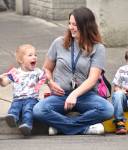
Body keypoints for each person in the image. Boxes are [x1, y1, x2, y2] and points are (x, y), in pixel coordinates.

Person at [33, 7, 114, 135]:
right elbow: (47, 69)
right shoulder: (58, 43)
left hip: (86, 96)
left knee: (107, 110)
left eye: (75, 25)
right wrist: (50, 82)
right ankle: (84, 128)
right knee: (38, 110)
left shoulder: (98, 48)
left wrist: (74, 94)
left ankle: (61, 127)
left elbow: (93, 79)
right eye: (70, 23)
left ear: (86, 26)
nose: (71, 27)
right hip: (61, 95)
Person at [0, 44, 46, 136]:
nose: (34, 57)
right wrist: (1, 80)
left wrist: (42, 83)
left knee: (28, 110)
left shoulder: (37, 72)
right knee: (14, 108)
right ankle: (12, 118)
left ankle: (27, 125)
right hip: (17, 99)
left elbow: (45, 78)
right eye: (30, 55)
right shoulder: (15, 72)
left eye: (35, 55)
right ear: (21, 60)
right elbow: (5, 83)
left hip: (31, 99)